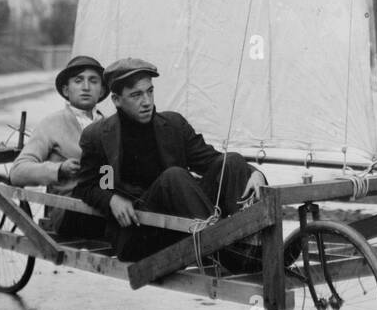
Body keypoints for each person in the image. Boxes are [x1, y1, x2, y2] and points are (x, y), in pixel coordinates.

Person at [74, 57, 266, 267]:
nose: (147, 101)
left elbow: (213, 161)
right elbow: (91, 186)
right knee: (174, 176)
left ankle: (251, 243)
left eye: (150, 91)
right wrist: (112, 199)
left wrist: (253, 172)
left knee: (233, 161)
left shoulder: (173, 125)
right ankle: (232, 251)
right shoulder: (100, 137)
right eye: (136, 95)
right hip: (141, 232)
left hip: (182, 222)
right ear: (116, 100)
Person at [9, 54, 107, 233]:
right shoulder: (51, 124)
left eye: (93, 81)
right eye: (78, 81)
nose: (86, 87)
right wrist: (59, 169)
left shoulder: (110, 125)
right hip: (68, 210)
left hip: (106, 203)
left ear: (101, 91)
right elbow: (17, 172)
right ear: (66, 90)